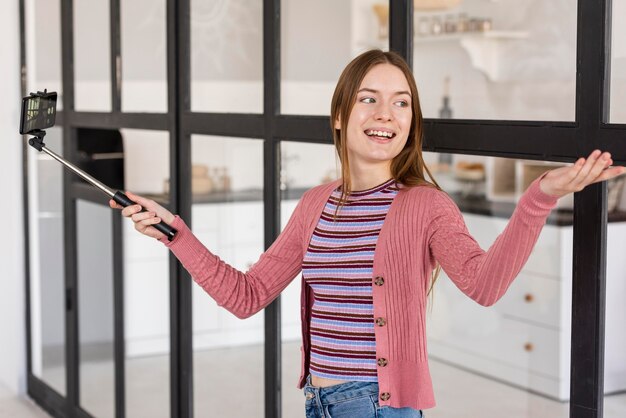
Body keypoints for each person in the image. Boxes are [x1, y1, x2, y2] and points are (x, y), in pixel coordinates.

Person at [110, 49, 625, 418]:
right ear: (340, 116)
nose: (386, 114)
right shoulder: (316, 204)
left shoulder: (425, 205)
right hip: (317, 400)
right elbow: (246, 296)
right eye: (369, 99)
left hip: (379, 407)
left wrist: (538, 198)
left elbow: (484, 285)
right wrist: (174, 233)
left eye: (401, 103)